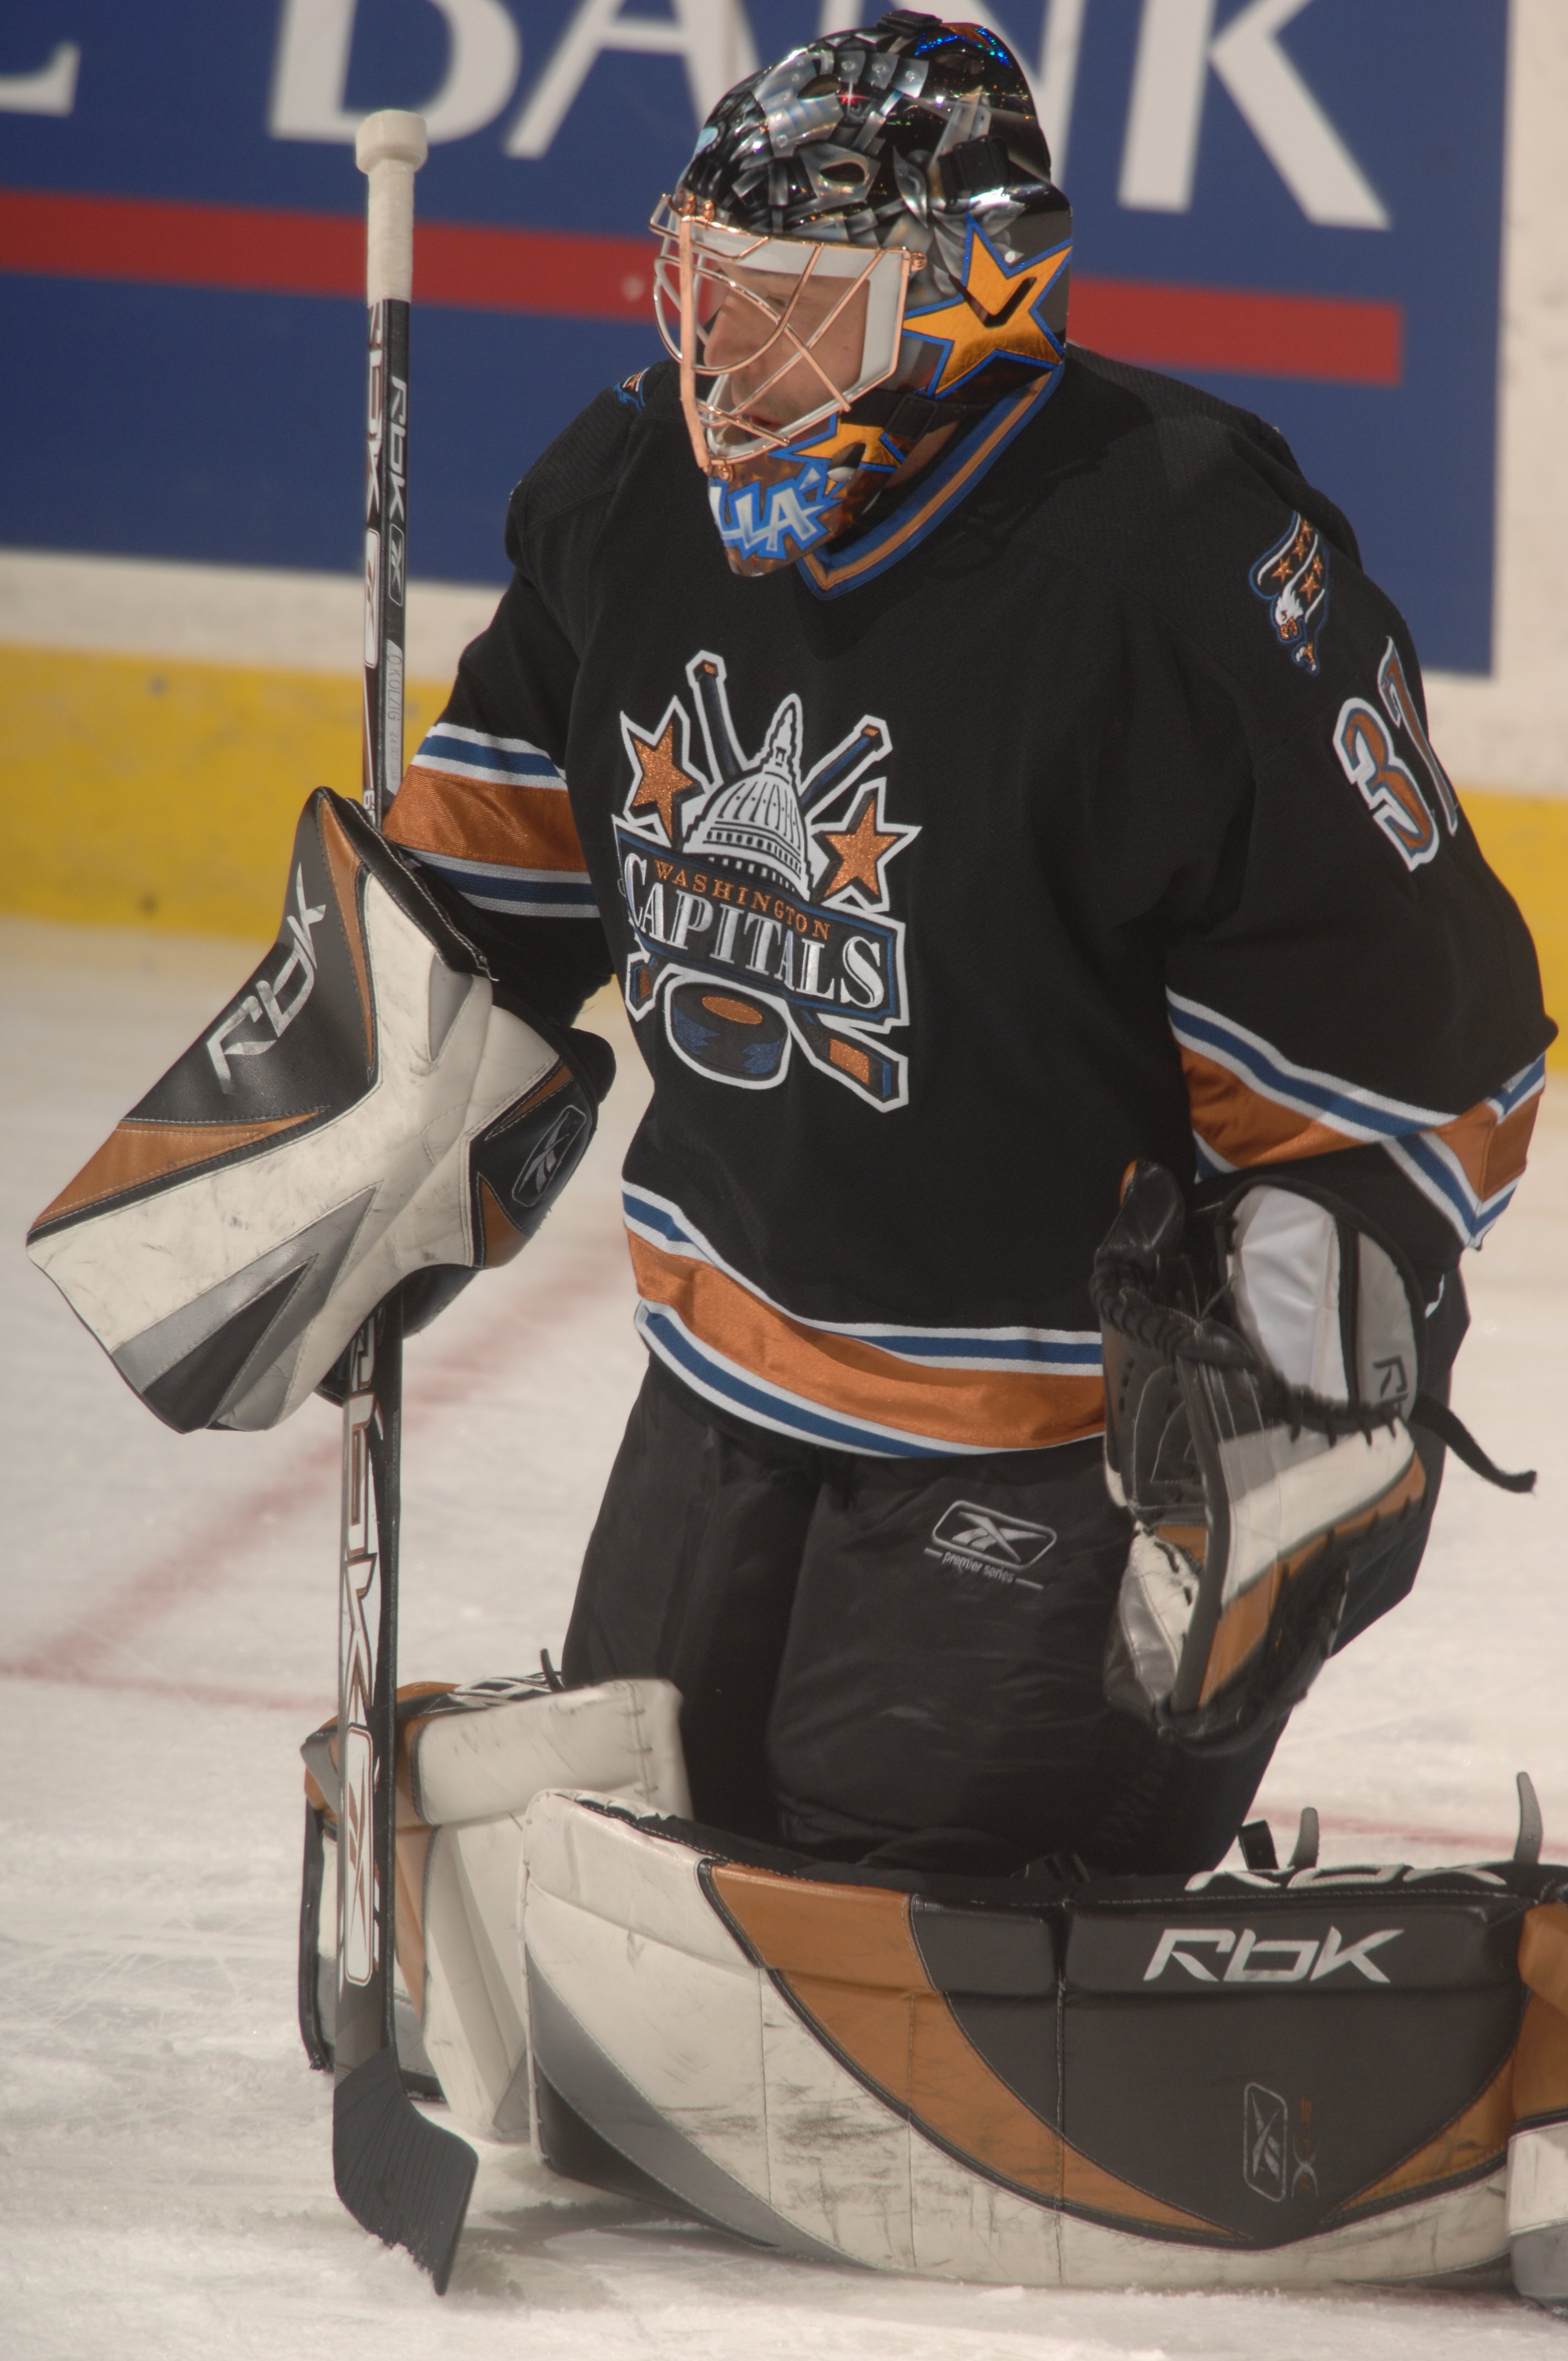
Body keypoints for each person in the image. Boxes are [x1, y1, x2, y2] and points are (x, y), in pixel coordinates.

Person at [380, 14, 1551, 1878]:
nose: (720, 359)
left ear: (964, 302)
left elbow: (1420, 1044)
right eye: (710, 290)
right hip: (725, 1374)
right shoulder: (628, 497)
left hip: (1048, 1437)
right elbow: (493, 858)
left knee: (891, 1888)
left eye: (793, 309)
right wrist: (373, 1084)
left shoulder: (1172, 567)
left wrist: (1299, 1381)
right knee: (639, 1851)